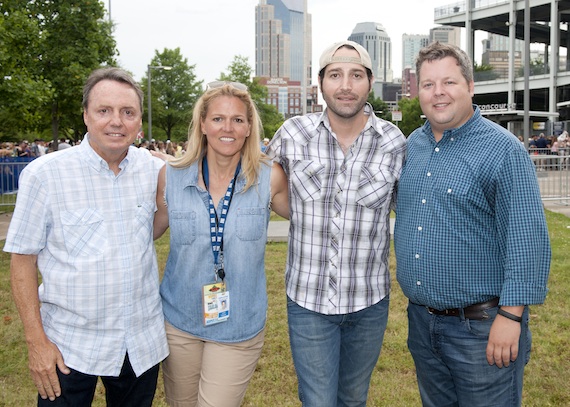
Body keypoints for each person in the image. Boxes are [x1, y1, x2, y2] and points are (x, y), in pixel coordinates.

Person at [393, 42, 551, 407]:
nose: (438, 93)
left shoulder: (503, 150)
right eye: (428, 84)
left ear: (470, 86)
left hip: (482, 327)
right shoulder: (412, 146)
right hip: (422, 323)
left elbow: (527, 240)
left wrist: (511, 317)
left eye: (449, 82)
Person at [5, 67, 169, 406]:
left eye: (128, 112)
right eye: (104, 110)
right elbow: (22, 261)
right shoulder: (45, 175)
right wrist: (37, 343)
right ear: (85, 115)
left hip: (138, 342)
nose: (116, 121)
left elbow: (153, 226)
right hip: (68, 345)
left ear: (139, 122)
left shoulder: (154, 171)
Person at [266, 40, 407, 406]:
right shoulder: (292, 135)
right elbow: (260, 186)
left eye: (356, 75)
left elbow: (407, 208)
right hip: (308, 300)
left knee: (353, 398)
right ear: (320, 83)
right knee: (317, 400)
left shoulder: (394, 142)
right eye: (335, 75)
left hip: (369, 301)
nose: (346, 85)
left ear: (370, 82)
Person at [153, 80, 289, 407]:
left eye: (238, 120)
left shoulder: (270, 177)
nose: (227, 127)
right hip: (179, 322)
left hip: (238, 326)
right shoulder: (170, 176)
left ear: (249, 128)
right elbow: (145, 233)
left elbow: (313, 219)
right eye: (217, 119)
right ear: (202, 124)